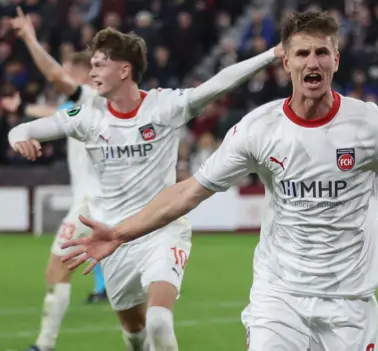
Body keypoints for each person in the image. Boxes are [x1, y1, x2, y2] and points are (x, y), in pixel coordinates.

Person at [59, 11, 378, 351]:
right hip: (279, 294)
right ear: (285, 62)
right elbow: (190, 190)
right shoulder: (258, 129)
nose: (312, 62)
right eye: (302, 52)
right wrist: (120, 233)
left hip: (350, 300)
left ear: (336, 60)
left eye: (321, 52)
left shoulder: (369, 124)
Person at [8, 25, 283, 351]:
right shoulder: (86, 116)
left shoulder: (163, 106)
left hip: (161, 229)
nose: (92, 72)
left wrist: (270, 55)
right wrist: (19, 139)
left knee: (158, 321)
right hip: (111, 238)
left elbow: (218, 84)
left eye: (99, 65)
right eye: (92, 65)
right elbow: (25, 130)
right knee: (135, 332)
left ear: (124, 70)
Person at [8, 8, 106, 351]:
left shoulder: (91, 102)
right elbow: (55, 116)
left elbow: (55, 102)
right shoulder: (94, 107)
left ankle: (44, 344)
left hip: (92, 203)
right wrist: (24, 117)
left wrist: (30, 38)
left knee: (56, 270)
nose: (63, 75)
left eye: (70, 71)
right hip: (113, 202)